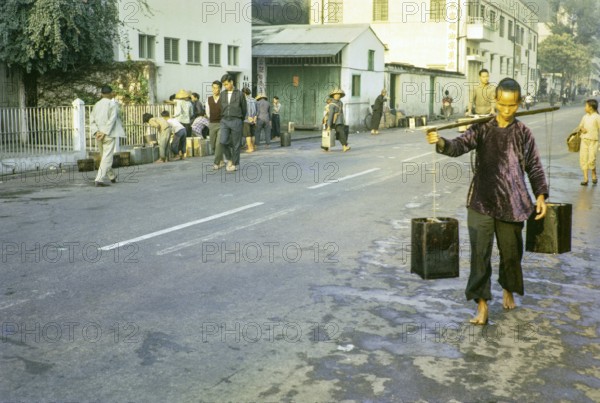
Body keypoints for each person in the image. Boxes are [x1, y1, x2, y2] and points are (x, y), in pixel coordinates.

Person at [426, 77, 548, 325]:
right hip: (482, 200)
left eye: (512, 105)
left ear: (519, 103)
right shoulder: (481, 128)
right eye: (502, 104)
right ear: (495, 101)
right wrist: (439, 142)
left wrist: (541, 195)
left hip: (513, 203)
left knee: (511, 254)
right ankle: (482, 305)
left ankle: (508, 288)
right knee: (480, 255)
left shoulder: (524, 133)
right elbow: (458, 146)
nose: (506, 110)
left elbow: (534, 166)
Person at [89, 85, 125, 187]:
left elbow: (91, 120)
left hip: (98, 135)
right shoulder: (112, 104)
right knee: (107, 157)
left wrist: (97, 132)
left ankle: (112, 176)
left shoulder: (96, 104)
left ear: (101, 94)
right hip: (108, 134)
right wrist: (104, 132)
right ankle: (99, 179)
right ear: (111, 93)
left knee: (104, 156)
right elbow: (112, 119)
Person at [219, 74, 247, 172]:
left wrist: (240, 119)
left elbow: (244, 109)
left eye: (226, 84)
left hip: (236, 120)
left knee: (236, 144)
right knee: (222, 141)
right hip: (225, 120)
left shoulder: (240, 94)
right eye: (224, 85)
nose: (225, 86)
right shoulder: (222, 94)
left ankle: (234, 164)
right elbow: (221, 107)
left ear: (231, 82)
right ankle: (229, 158)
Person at [575, 99, 600, 186]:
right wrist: (582, 129)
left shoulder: (597, 117)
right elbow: (580, 126)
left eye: (586, 106)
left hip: (593, 141)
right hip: (584, 140)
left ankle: (593, 174)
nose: (585, 108)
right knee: (583, 158)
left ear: (591, 107)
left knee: (591, 159)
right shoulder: (585, 117)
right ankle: (585, 178)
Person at [206, 80, 225, 170]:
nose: (215, 90)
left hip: (222, 124)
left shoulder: (224, 99)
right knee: (213, 145)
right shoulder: (209, 99)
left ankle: (216, 163)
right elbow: (207, 112)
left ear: (220, 89)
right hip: (212, 124)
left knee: (218, 144)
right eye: (213, 88)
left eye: (217, 88)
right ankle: (221, 159)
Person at [326, 88, 350, 152]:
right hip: (333, 121)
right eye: (336, 95)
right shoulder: (332, 105)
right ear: (333, 96)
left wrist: (343, 121)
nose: (338, 96)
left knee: (341, 133)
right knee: (329, 133)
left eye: (339, 95)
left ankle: (344, 146)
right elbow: (331, 115)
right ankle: (325, 146)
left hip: (339, 121)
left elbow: (341, 113)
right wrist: (328, 125)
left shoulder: (340, 103)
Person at [173, 89, 193, 158]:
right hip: (187, 122)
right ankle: (184, 153)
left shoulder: (178, 102)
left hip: (180, 122)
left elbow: (178, 112)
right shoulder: (190, 103)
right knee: (185, 139)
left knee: (178, 138)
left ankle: (178, 153)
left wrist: (173, 116)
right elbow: (191, 113)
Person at [242, 87, 257, 152]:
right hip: (253, 119)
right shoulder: (254, 99)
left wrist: (248, 117)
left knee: (248, 135)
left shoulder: (244, 100)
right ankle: (253, 147)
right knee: (253, 134)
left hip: (246, 119)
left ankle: (250, 148)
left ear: (244, 93)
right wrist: (254, 118)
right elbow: (257, 110)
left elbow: (244, 110)